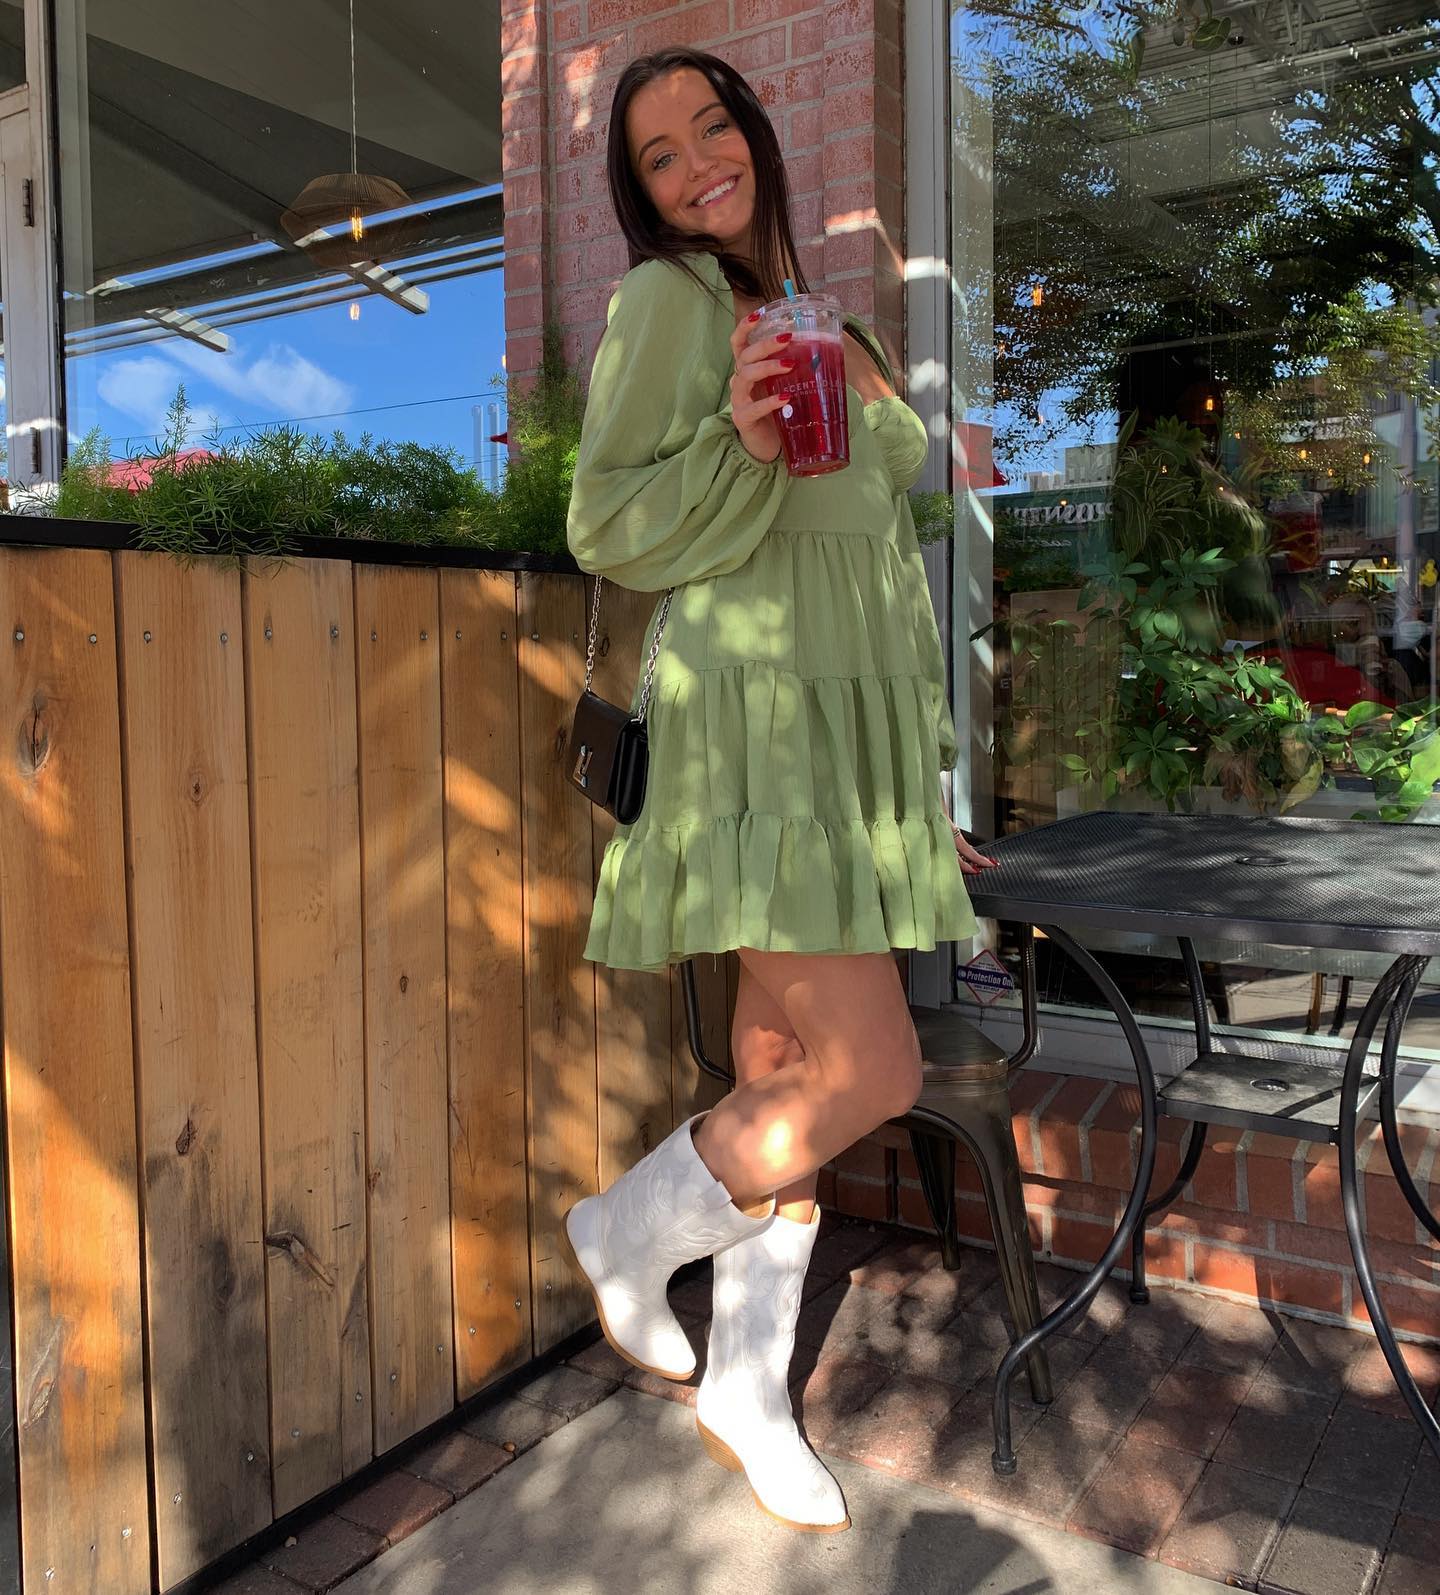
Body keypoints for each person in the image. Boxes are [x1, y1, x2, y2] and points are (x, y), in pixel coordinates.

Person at [562, 47, 995, 1534]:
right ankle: (626, 1228)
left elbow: (876, 575)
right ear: (644, 194)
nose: (700, 165)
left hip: (843, 740)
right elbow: (606, 519)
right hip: (751, 730)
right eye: (661, 155)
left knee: (780, 1071)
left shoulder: (833, 321)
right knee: (873, 1073)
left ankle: (746, 1388)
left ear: (755, 133)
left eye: (714, 127)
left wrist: (916, 785)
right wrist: (737, 442)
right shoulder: (670, 304)